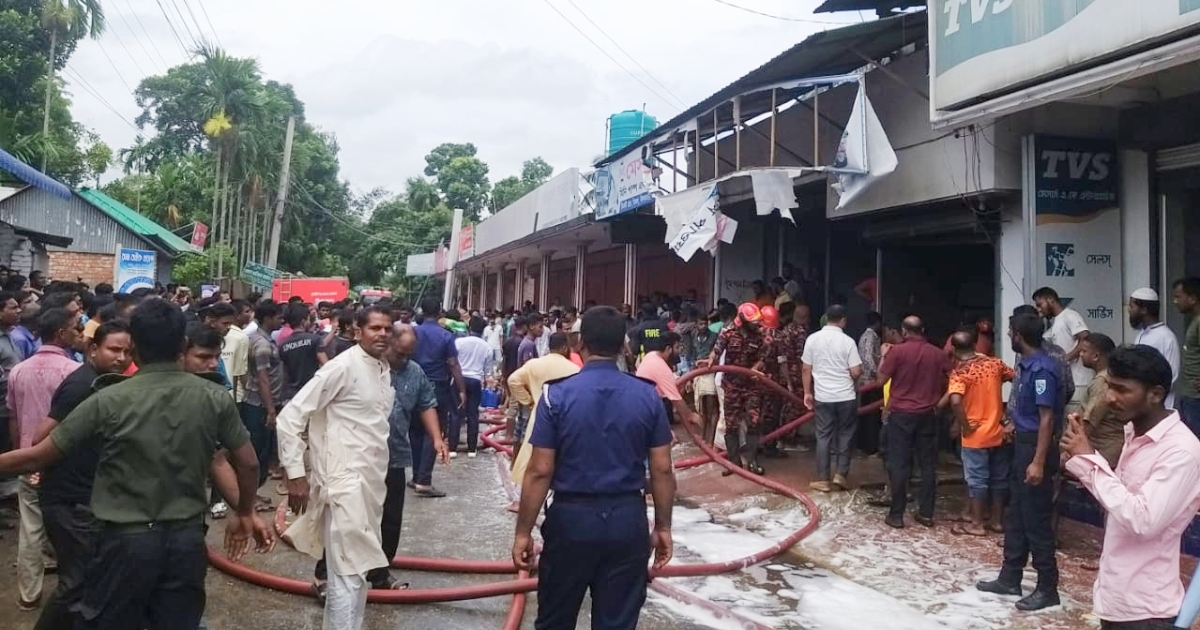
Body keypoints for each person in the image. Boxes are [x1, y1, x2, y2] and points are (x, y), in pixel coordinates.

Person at [0, 299, 267, 630]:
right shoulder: (213, 397)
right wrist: (245, 512)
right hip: (185, 540)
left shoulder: (108, 399)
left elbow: (37, 456)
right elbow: (249, 463)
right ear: (182, 345)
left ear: (135, 347)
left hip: (124, 543)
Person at [512, 306, 675, 629]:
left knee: (555, 620)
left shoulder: (555, 396)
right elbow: (662, 470)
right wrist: (663, 527)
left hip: (570, 522)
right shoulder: (648, 397)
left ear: (580, 343)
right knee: (616, 623)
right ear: (624, 346)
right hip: (627, 522)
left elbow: (540, 470)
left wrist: (522, 532)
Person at [279, 307, 433, 630]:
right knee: (348, 573)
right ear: (357, 331)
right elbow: (290, 418)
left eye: (387, 329)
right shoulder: (341, 368)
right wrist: (295, 474)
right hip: (342, 480)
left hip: (371, 482)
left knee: (355, 571)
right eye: (374, 328)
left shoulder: (381, 369)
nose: (382, 334)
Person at [1061, 345, 1200, 629]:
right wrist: (1084, 457)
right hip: (1118, 599)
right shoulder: (1134, 433)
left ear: (1156, 395)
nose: (1110, 398)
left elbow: (1142, 519)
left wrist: (1088, 462)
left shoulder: (1181, 451)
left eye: (1122, 390)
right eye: (1110, 386)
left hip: (1145, 611)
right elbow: (1120, 502)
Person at [310, 322, 449, 600]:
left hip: (393, 456)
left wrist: (436, 438)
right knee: (346, 515)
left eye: (410, 354)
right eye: (400, 353)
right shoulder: (356, 368)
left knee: (390, 519)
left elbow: (426, 404)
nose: (404, 359)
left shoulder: (414, 371)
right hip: (355, 456)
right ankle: (325, 575)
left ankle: (380, 572)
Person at [33, 321, 132, 630]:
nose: (121, 357)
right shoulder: (83, 385)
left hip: (83, 494)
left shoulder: (103, 382)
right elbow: (40, 436)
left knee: (85, 576)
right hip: (68, 499)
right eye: (114, 350)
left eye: (128, 351)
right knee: (77, 580)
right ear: (92, 349)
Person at [977, 312, 1065, 611]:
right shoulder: (1027, 366)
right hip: (1023, 443)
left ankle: (1047, 586)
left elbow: (1047, 418)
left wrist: (1038, 461)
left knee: (1035, 518)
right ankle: (1010, 575)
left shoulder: (1042, 369)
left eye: (1011, 332)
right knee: (1017, 513)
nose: (1009, 337)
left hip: (1035, 448)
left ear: (1018, 335)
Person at [8, 308, 82, 610]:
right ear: (60, 334)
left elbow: (14, 419)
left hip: (28, 461)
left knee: (30, 529)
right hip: (63, 463)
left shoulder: (19, 370)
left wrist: (20, 456)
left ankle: (29, 594)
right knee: (68, 531)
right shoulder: (73, 373)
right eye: (75, 328)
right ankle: (70, 593)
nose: (79, 333)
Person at [874, 315, 947, 526]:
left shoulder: (896, 352)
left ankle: (896, 515)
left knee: (900, 464)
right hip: (928, 414)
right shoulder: (937, 353)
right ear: (922, 329)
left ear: (904, 332)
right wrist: (939, 403)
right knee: (928, 465)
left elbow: (881, 381)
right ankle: (926, 514)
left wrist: (884, 357)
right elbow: (954, 378)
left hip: (901, 415)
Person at [946, 329, 1014, 536]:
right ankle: (996, 521)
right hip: (999, 432)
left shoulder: (960, 372)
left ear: (955, 350)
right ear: (974, 345)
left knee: (977, 480)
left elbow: (956, 401)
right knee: (999, 479)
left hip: (975, 436)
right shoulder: (995, 364)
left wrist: (964, 426)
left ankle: (976, 524)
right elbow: (1014, 377)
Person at [508, 332, 581, 501]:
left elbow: (513, 380)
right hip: (565, 419)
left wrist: (529, 401)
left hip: (538, 415)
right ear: (564, 347)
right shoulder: (574, 369)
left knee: (530, 455)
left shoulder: (534, 364)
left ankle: (523, 498)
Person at [802, 305, 864, 493]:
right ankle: (841, 475)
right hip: (846, 396)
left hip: (823, 396)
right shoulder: (848, 341)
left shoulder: (812, 339)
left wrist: (807, 392)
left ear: (826, 317)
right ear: (843, 320)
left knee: (823, 436)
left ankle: (823, 479)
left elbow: (806, 368)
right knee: (845, 435)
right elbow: (856, 371)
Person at [412, 297, 467, 498]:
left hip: (414, 384)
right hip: (436, 387)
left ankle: (416, 475)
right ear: (440, 314)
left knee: (416, 431)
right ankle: (424, 481)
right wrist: (461, 389)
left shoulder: (413, 333)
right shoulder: (445, 336)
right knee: (433, 432)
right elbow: (452, 363)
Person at [707, 303, 770, 475]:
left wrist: (756, 368)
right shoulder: (728, 332)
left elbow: (764, 356)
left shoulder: (761, 334)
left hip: (752, 386)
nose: (756, 324)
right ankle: (734, 464)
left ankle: (752, 462)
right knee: (731, 425)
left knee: (754, 422)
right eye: (752, 321)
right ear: (741, 319)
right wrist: (711, 360)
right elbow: (717, 350)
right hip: (732, 385)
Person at [1034, 286, 1091, 413]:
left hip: (1078, 381)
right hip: (1067, 382)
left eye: (1040, 304)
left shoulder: (1069, 315)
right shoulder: (1056, 323)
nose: (1039, 309)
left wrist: (1066, 358)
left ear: (1050, 299)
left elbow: (1085, 337)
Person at [1078, 333, 1125, 469]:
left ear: (1096, 356)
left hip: (1102, 453)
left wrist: (1072, 452)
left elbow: (1089, 422)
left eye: (1084, 351)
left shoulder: (1102, 381)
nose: (1080, 354)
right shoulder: (1105, 377)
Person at [1128, 287, 1181, 409]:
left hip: (1159, 404)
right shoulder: (1142, 332)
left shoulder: (1166, 336)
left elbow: (1172, 375)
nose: (1129, 310)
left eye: (1132, 306)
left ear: (1144, 310)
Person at [636, 331, 702, 428]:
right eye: (677, 347)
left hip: (643, 404)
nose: (680, 350)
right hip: (644, 410)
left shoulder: (652, 354)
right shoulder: (660, 367)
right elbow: (676, 398)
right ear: (668, 349)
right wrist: (690, 415)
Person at [451, 316, 492, 457]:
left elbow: (453, 361)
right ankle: (472, 449)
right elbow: (487, 368)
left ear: (469, 328)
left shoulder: (459, 342)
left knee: (456, 413)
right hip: (475, 380)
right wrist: (485, 379)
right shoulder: (487, 347)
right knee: (473, 414)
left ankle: (452, 448)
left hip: (459, 379)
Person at [279, 303, 329, 403]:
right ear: (303, 321)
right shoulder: (314, 339)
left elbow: (282, 373)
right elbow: (326, 364)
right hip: (310, 392)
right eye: (308, 318)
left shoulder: (283, 345)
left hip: (291, 395)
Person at [686, 310, 721, 445]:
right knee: (702, 409)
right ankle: (703, 438)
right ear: (696, 325)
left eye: (705, 324)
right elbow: (691, 358)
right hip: (698, 375)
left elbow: (717, 355)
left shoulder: (714, 337)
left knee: (712, 408)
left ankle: (711, 440)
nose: (703, 326)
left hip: (711, 373)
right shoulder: (693, 338)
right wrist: (689, 378)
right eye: (701, 324)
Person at [1172, 278, 1200, 434]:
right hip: (1190, 395)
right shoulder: (1194, 321)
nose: (1175, 301)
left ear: (1193, 299)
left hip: (1196, 398)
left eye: (1178, 297)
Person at [501, 316, 530, 441]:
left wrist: (503, 376)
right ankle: (510, 436)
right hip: (519, 378)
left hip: (509, 375)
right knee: (517, 408)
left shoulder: (508, 341)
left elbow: (504, 360)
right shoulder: (523, 343)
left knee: (513, 408)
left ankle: (509, 435)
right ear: (524, 327)